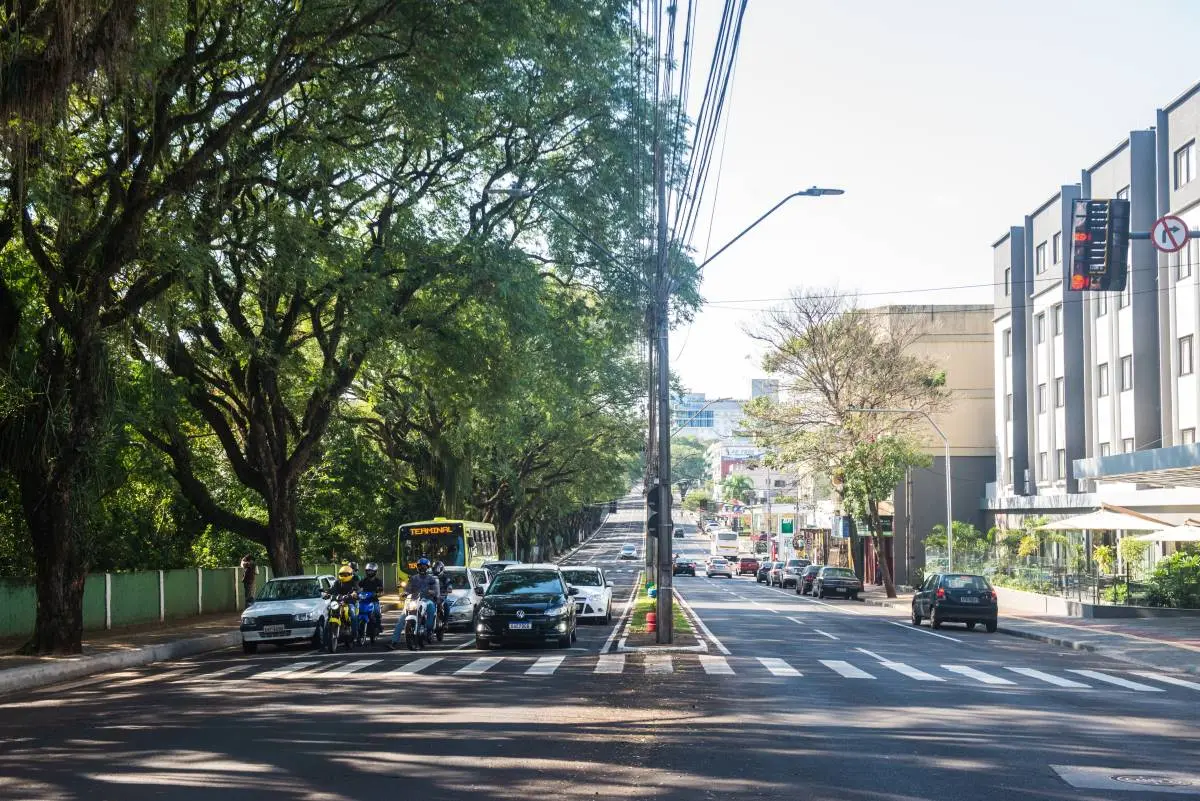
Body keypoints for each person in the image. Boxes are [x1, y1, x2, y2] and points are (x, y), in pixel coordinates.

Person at [389, 558, 439, 650]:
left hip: (426, 600)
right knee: (401, 619)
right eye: (420, 566)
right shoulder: (413, 578)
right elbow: (408, 589)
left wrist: (432, 592)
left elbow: (435, 590)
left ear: (427, 567)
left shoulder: (431, 579)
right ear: (417, 567)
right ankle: (394, 642)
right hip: (413, 600)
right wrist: (405, 593)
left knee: (431, 607)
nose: (422, 568)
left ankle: (429, 631)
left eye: (424, 566)